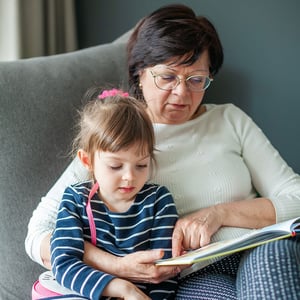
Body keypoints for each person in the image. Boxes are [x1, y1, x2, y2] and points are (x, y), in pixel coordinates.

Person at [25, 4, 300, 300]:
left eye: (196, 80)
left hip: (258, 247)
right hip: (189, 274)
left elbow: (295, 197)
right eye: (168, 77)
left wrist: (218, 214)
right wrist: (118, 266)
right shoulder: (119, 132)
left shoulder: (230, 120)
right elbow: (38, 233)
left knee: (273, 265)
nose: (182, 93)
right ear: (140, 74)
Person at [50, 89, 178, 299]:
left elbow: (165, 273)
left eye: (141, 165)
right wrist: (122, 288)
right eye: (115, 166)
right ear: (87, 161)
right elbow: (63, 263)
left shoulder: (158, 202)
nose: (129, 177)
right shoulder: (75, 200)